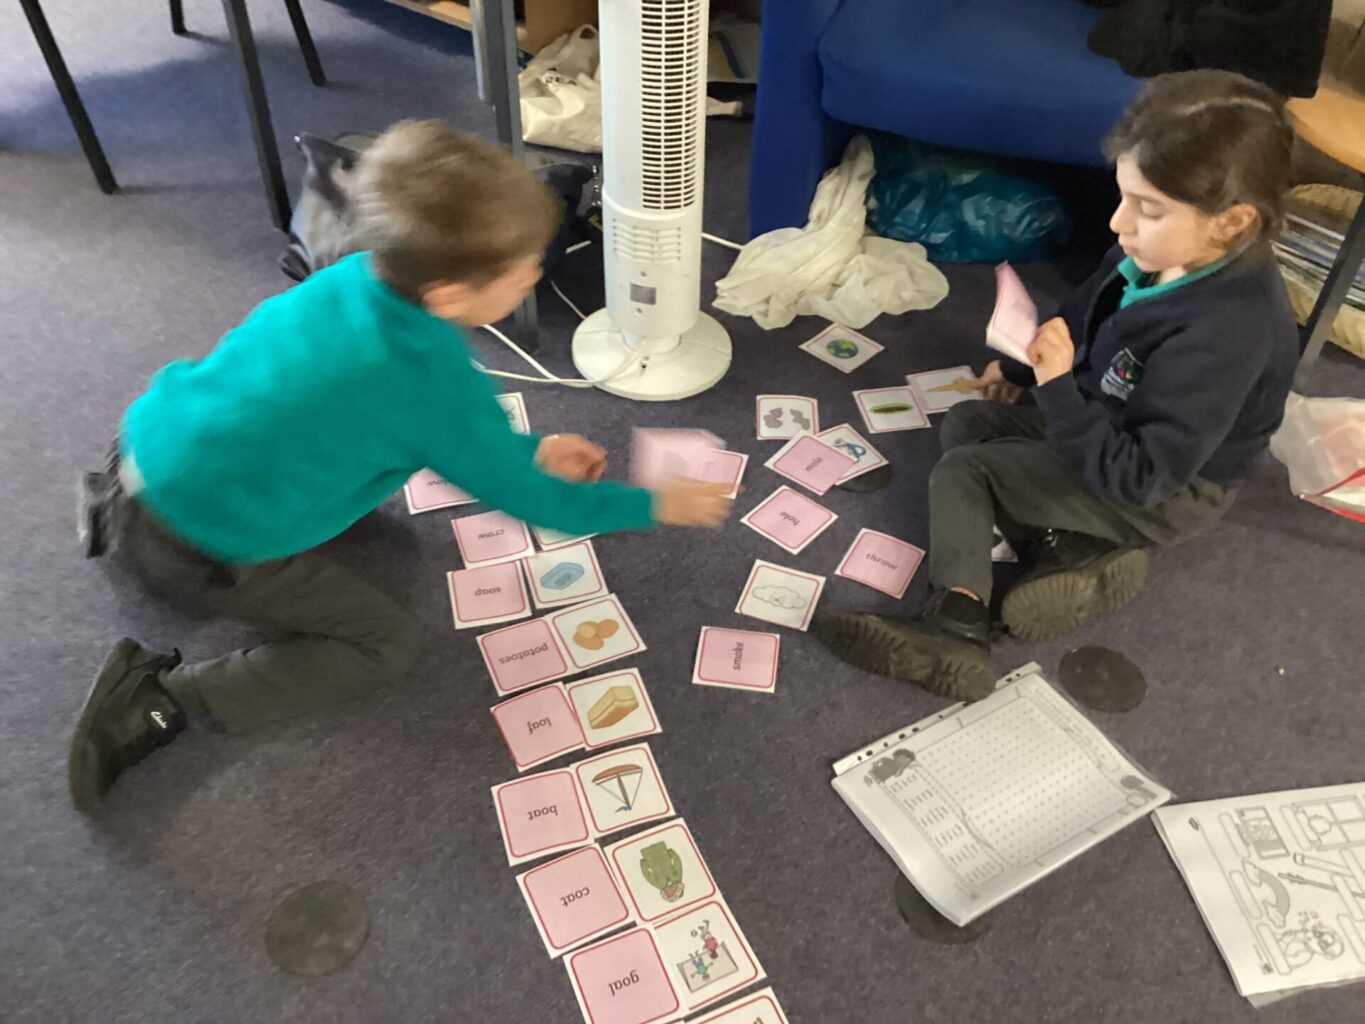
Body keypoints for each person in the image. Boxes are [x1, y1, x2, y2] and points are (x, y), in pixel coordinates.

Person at [68, 120, 734, 812]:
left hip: (145, 445)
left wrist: (527, 451)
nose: (536, 273)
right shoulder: (433, 383)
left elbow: (388, 420)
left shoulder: (352, 276)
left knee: (345, 446)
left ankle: (120, 517)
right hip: (195, 543)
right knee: (384, 644)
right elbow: (546, 505)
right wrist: (655, 504)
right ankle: (161, 699)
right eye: (523, 268)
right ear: (448, 295)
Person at [814, 70, 1299, 701]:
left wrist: (1057, 389)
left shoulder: (1228, 333)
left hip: (1168, 489)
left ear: (1231, 223)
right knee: (968, 422)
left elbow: (1141, 477)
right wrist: (1024, 370)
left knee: (965, 473)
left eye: (1148, 209)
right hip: (1109, 419)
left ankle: (957, 625)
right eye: (1123, 196)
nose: (1119, 223)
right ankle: (1064, 550)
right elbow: (1083, 313)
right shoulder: (1153, 253)